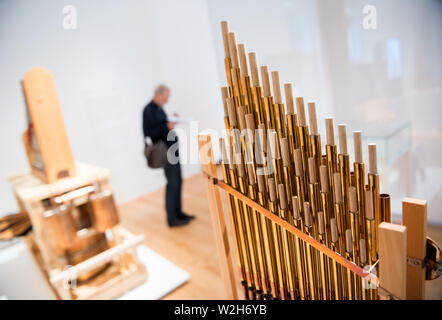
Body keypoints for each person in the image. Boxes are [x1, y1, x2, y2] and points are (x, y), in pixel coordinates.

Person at [142, 85, 194, 227]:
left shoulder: (158, 108)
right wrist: (167, 126)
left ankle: (178, 213)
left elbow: (161, 125)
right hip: (165, 153)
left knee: (177, 182)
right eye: (166, 97)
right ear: (158, 95)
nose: (167, 100)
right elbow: (150, 132)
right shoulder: (149, 110)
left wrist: (170, 123)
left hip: (171, 150)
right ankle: (172, 218)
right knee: (172, 184)